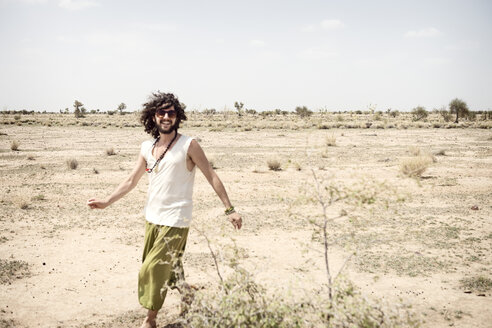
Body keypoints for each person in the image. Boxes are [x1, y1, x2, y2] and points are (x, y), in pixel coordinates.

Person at [87, 91, 242, 328]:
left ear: (177, 116)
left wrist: (229, 209)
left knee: (152, 268)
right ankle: (188, 296)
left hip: (177, 218)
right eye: (161, 112)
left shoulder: (189, 144)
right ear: (153, 117)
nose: (166, 116)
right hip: (153, 217)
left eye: (171, 112)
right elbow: (131, 180)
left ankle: (150, 318)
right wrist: (107, 201)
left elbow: (211, 174)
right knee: (172, 267)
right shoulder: (147, 147)